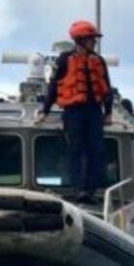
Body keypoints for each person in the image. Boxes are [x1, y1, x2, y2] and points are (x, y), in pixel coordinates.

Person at [37, 20, 113, 203]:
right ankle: (78, 189)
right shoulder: (64, 59)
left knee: (96, 151)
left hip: (94, 111)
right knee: (75, 149)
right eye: (91, 39)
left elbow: (106, 88)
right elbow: (54, 86)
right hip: (73, 111)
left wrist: (108, 112)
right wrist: (44, 110)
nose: (94, 42)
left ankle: (90, 190)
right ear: (80, 40)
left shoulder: (98, 61)